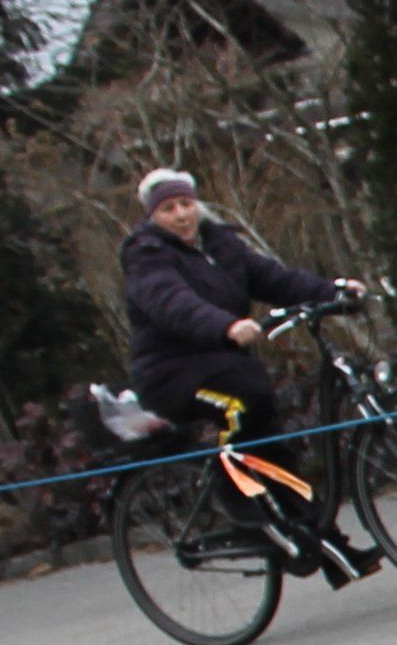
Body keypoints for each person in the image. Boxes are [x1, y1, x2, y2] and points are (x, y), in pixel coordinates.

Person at [117, 167, 379, 577]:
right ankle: (238, 501)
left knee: (273, 448)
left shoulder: (221, 244)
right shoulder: (146, 255)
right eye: (168, 209)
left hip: (225, 366)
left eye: (186, 204)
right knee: (242, 405)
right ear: (153, 216)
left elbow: (275, 279)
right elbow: (172, 302)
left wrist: (333, 292)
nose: (181, 214)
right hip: (170, 375)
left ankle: (324, 547)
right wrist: (223, 325)